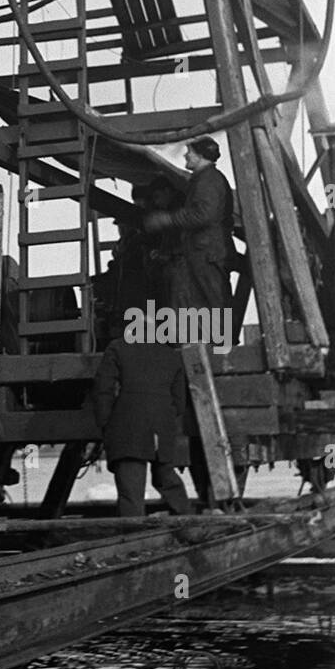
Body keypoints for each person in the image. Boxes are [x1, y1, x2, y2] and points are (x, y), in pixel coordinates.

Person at [93, 333, 191, 518]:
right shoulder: (171, 354)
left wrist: (105, 422)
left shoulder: (117, 348)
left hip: (127, 426)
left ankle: (135, 536)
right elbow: (179, 402)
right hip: (161, 427)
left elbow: (103, 388)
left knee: (131, 491)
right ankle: (187, 521)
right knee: (166, 477)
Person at [144, 137, 234, 314]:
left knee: (213, 301)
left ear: (200, 155)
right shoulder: (204, 179)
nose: (186, 155)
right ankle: (213, 340)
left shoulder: (208, 180)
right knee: (203, 302)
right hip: (204, 251)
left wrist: (168, 219)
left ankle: (220, 340)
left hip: (208, 252)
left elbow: (203, 214)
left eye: (190, 152)